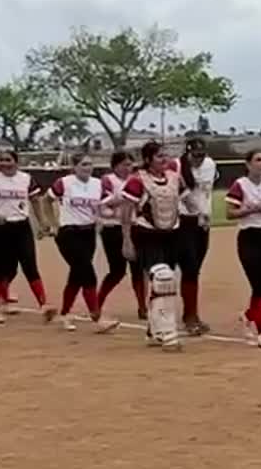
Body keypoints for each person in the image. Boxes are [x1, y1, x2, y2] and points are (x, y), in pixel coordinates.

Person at [0, 149, 52, 324]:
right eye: (1, 160)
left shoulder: (25, 179)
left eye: (8, 160)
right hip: (0, 227)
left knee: (29, 264)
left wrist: (43, 221)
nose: (5, 163)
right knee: (1, 267)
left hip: (21, 225)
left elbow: (35, 200)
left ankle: (44, 305)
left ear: (16, 161)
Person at [119, 142, 187, 346]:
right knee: (162, 278)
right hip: (147, 234)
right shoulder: (137, 181)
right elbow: (126, 211)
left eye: (166, 156)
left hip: (171, 234)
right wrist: (127, 240)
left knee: (166, 282)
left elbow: (184, 200)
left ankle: (153, 328)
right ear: (148, 159)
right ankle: (166, 330)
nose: (164, 160)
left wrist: (201, 215)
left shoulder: (175, 178)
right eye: (159, 156)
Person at [48, 153, 120, 333]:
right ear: (74, 167)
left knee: (77, 275)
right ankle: (97, 317)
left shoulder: (98, 184)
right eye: (83, 164)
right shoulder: (65, 183)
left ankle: (64, 314)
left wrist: (108, 215)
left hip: (88, 233)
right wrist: (51, 223)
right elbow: (46, 200)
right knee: (88, 273)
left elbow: (104, 206)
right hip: (69, 232)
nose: (87, 168)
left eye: (90, 164)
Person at [224, 150, 261, 349]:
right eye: (258, 160)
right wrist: (250, 209)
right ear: (248, 164)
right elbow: (230, 213)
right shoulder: (240, 184)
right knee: (258, 285)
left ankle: (248, 315)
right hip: (249, 238)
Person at [96, 150, 145, 320]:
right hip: (113, 228)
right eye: (124, 164)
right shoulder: (108, 180)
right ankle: (97, 302)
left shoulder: (136, 180)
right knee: (117, 270)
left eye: (130, 164)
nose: (128, 168)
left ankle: (142, 306)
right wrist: (125, 198)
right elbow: (103, 203)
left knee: (138, 269)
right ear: (115, 166)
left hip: (134, 227)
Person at [177, 138, 218, 336]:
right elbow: (180, 194)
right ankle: (190, 317)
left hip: (203, 223)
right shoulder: (177, 166)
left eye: (202, 155)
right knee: (190, 268)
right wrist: (195, 210)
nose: (200, 160)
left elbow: (207, 194)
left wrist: (207, 214)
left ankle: (190, 314)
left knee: (195, 270)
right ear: (188, 153)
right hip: (184, 222)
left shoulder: (210, 165)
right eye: (195, 155)